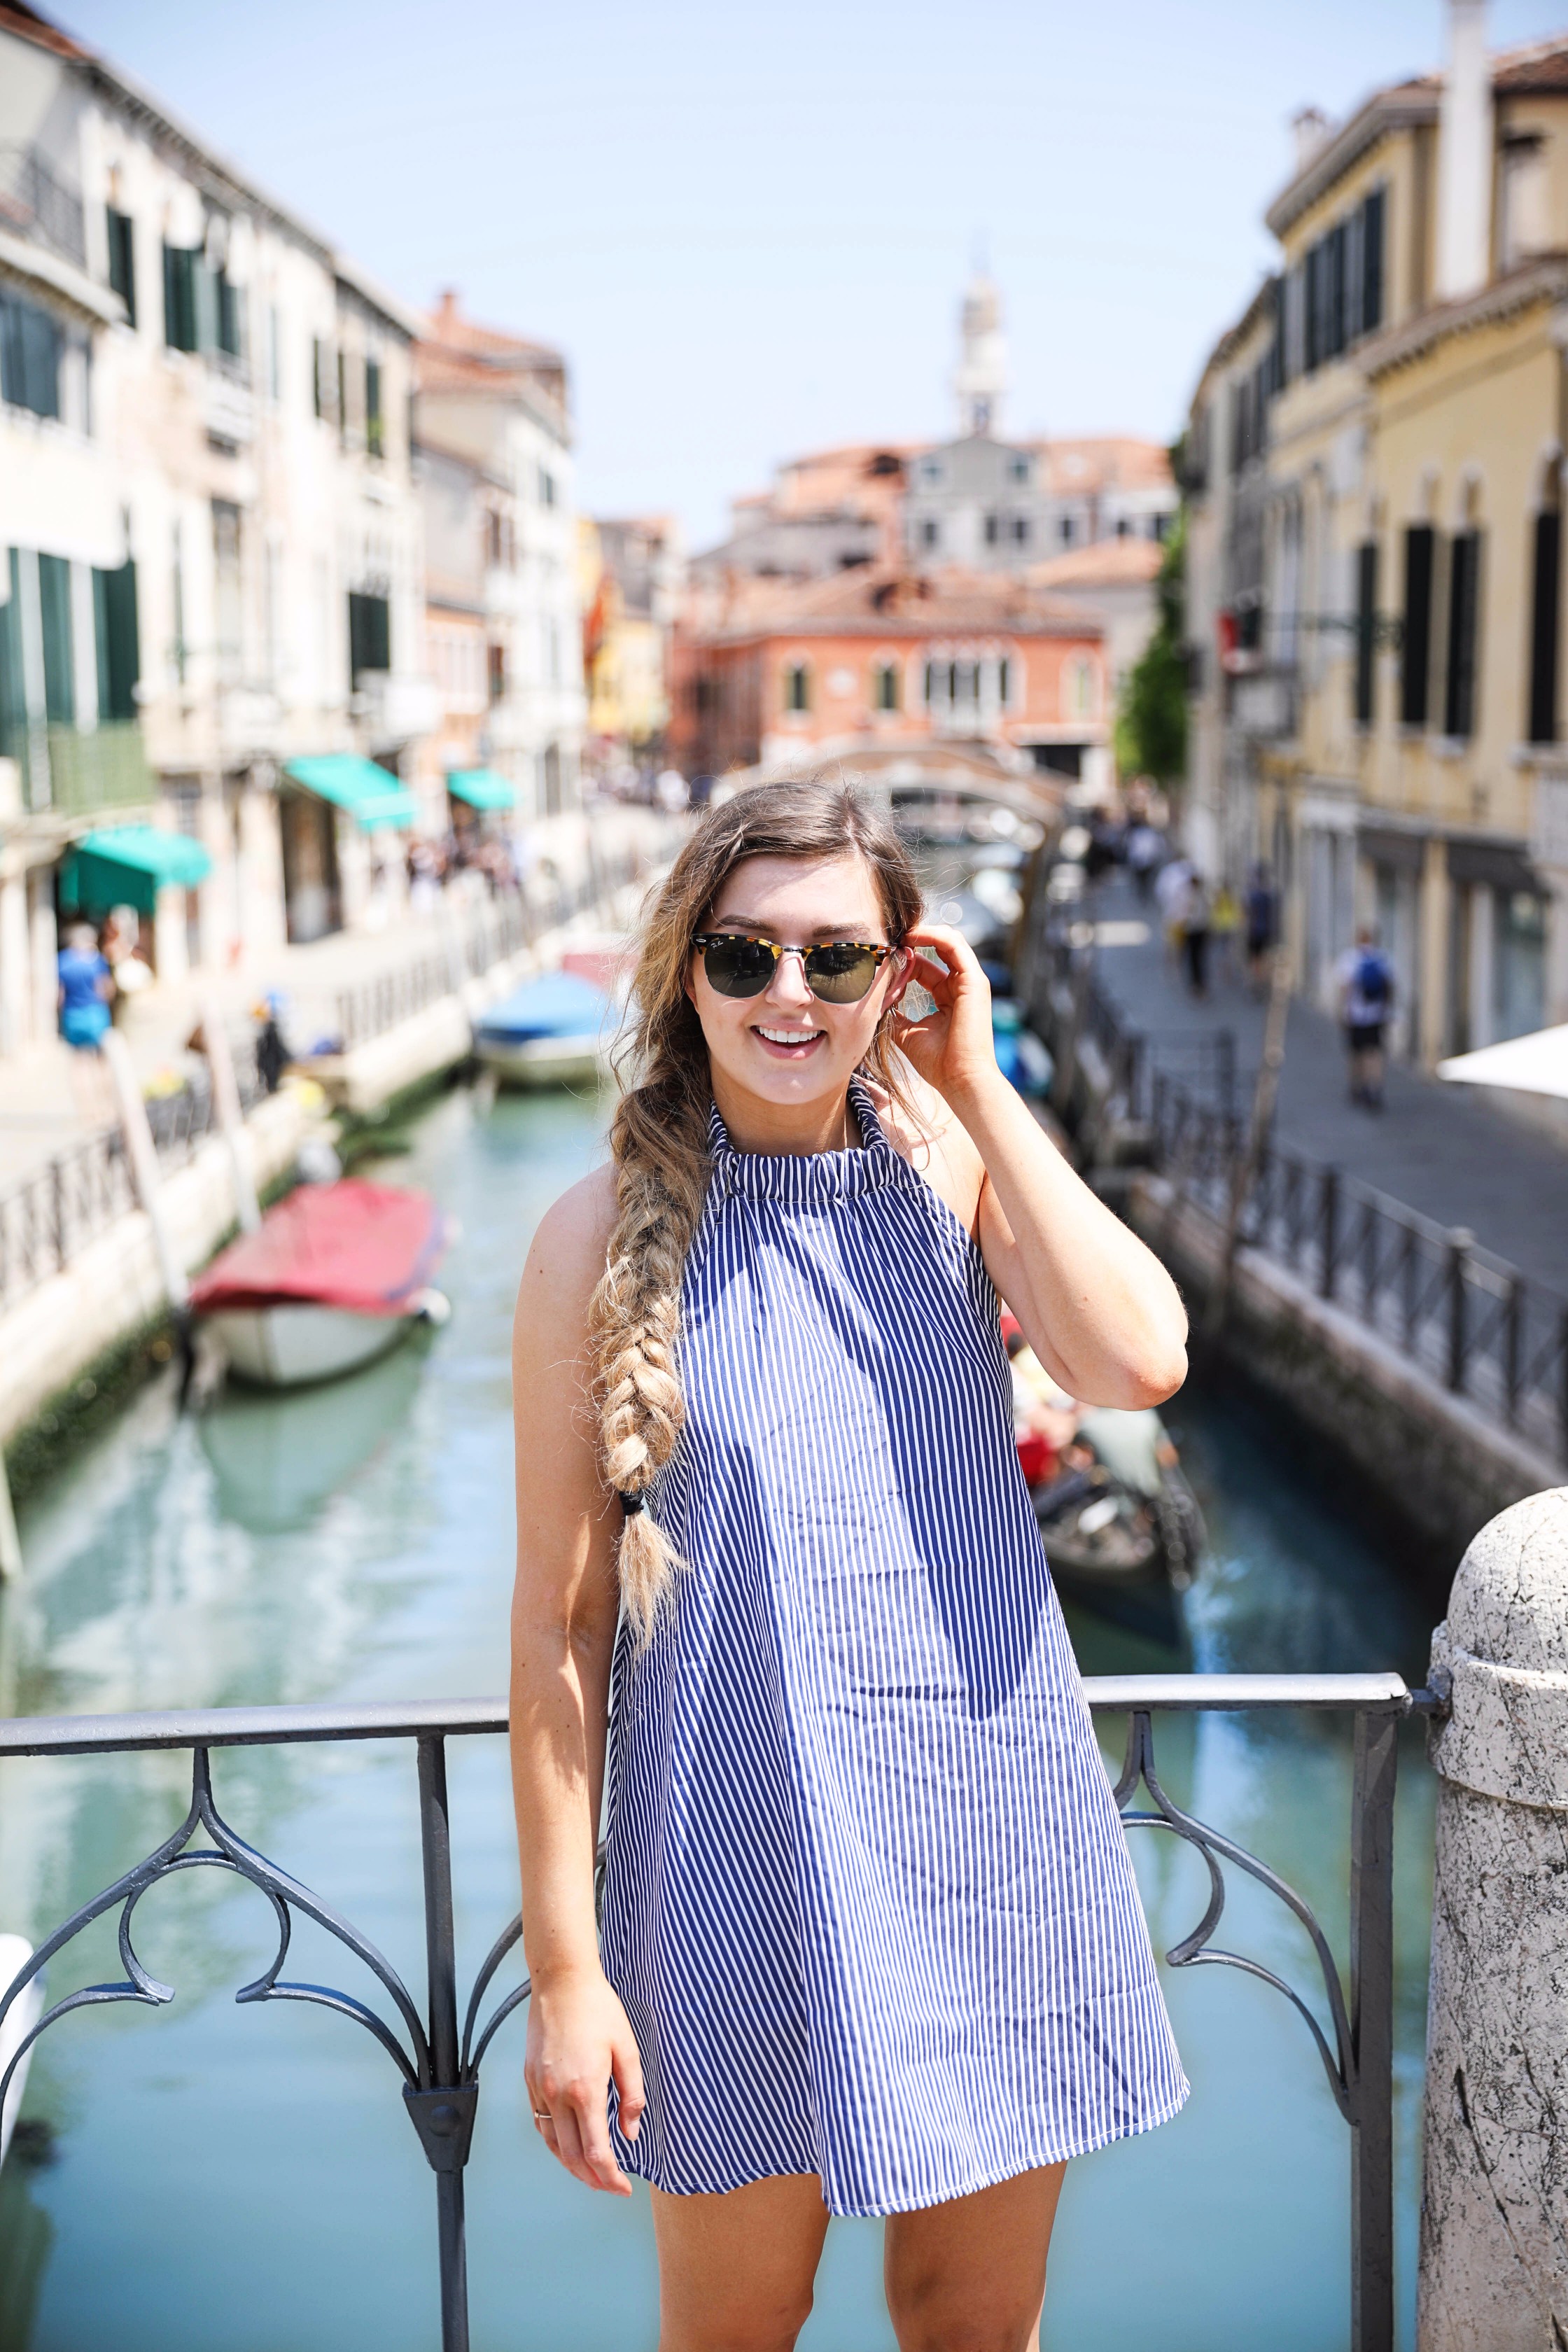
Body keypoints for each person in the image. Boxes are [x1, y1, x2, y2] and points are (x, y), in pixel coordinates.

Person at [510, 778, 1189, 2352]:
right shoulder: (592, 1236)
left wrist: (977, 1078)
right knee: (734, 2335)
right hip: (723, 1873)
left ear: (901, 967)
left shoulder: (951, 1167)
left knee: (972, 2333)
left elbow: (1138, 1357)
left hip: (985, 1856)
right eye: (744, 957)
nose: (788, 996)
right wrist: (564, 1967)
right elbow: (559, 1631)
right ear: (690, 972)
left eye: (836, 958)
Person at [1336, 927, 1395, 1109]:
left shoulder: (1350, 959)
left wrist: (1342, 1012)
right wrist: (1387, 1011)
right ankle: (1375, 1088)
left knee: (1357, 1053)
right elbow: (1391, 987)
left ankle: (1358, 1087)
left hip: (1356, 1015)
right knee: (1375, 1053)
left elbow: (1344, 989)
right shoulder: (1383, 958)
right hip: (1377, 1016)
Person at [1244, 863, 1278, 991]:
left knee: (1255, 958)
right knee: (1262, 957)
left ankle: (1256, 982)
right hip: (1266, 931)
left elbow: (1249, 913)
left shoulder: (1253, 895)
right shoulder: (1267, 895)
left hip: (1255, 931)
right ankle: (1261, 980)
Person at [1181, 872, 1211, 999]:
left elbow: (1187, 913)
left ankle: (1197, 984)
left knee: (1195, 958)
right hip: (1199, 930)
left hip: (1195, 930)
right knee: (1198, 958)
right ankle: (1199, 983)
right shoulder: (1202, 896)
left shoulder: (1193, 897)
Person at [1210, 877, 1241, 986]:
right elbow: (1236, 909)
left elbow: (1215, 909)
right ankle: (1228, 968)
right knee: (1228, 947)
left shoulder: (1220, 896)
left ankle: (1223, 968)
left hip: (1221, 925)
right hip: (1230, 924)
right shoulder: (1231, 896)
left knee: (1221, 948)